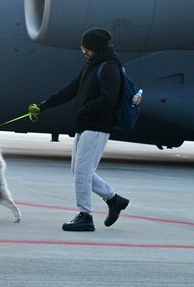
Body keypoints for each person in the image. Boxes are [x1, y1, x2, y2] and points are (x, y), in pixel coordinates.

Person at [29, 28, 130, 232]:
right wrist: (44, 105)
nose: (84, 51)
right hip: (85, 125)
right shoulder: (92, 65)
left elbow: (109, 99)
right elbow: (71, 89)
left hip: (98, 126)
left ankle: (85, 216)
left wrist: (85, 110)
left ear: (97, 47)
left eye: (87, 47)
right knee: (78, 171)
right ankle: (114, 199)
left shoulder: (110, 67)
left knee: (83, 172)